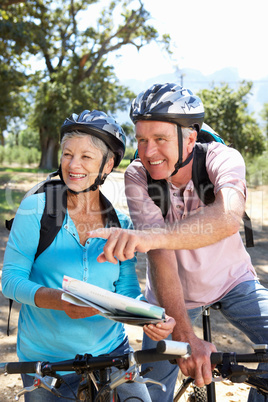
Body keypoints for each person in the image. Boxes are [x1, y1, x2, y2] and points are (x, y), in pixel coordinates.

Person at [88, 84, 268, 402]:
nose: (149, 151)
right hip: (173, 294)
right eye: (142, 139)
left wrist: (149, 237)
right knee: (150, 394)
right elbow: (161, 256)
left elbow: (227, 219)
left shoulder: (223, 158)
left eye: (160, 139)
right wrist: (184, 335)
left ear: (189, 138)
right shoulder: (138, 176)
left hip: (232, 280)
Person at [1, 109, 176, 402]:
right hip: (46, 363)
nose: (73, 165)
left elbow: (126, 290)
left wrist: (148, 317)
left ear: (107, 165)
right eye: (68, 154)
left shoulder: (119, 223)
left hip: (112, 355)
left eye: (86, 157)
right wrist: (60, 301)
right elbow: (10, 280)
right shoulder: (36, 208)